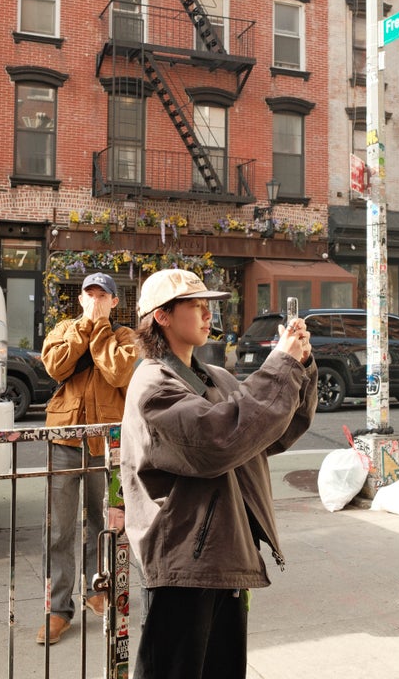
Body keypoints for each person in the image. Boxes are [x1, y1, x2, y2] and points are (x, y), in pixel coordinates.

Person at [120, 268, 318, 679]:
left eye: (208, 305)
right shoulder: (154, 384)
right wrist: (280, 366)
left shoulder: (217, 378)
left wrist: (299, 365)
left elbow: (270, 432)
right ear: (162, 316)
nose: (208, 314)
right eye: (196, 306)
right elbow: (219, 440)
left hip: (225, 554)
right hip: (183, 563)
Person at [37, 272, 137, 645]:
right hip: (64, 440)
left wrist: (101, 330)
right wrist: (84, 328)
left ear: (114, 302)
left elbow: (119, 372)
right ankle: (57, 610)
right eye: (89, 295)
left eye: (102, 295)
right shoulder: (64, 330)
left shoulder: (125, 337)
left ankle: (98, 590)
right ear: (80, 300)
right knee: (59, 529)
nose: (95, 300)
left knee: (103, 523)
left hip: (106, 444)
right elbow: (56, 366)